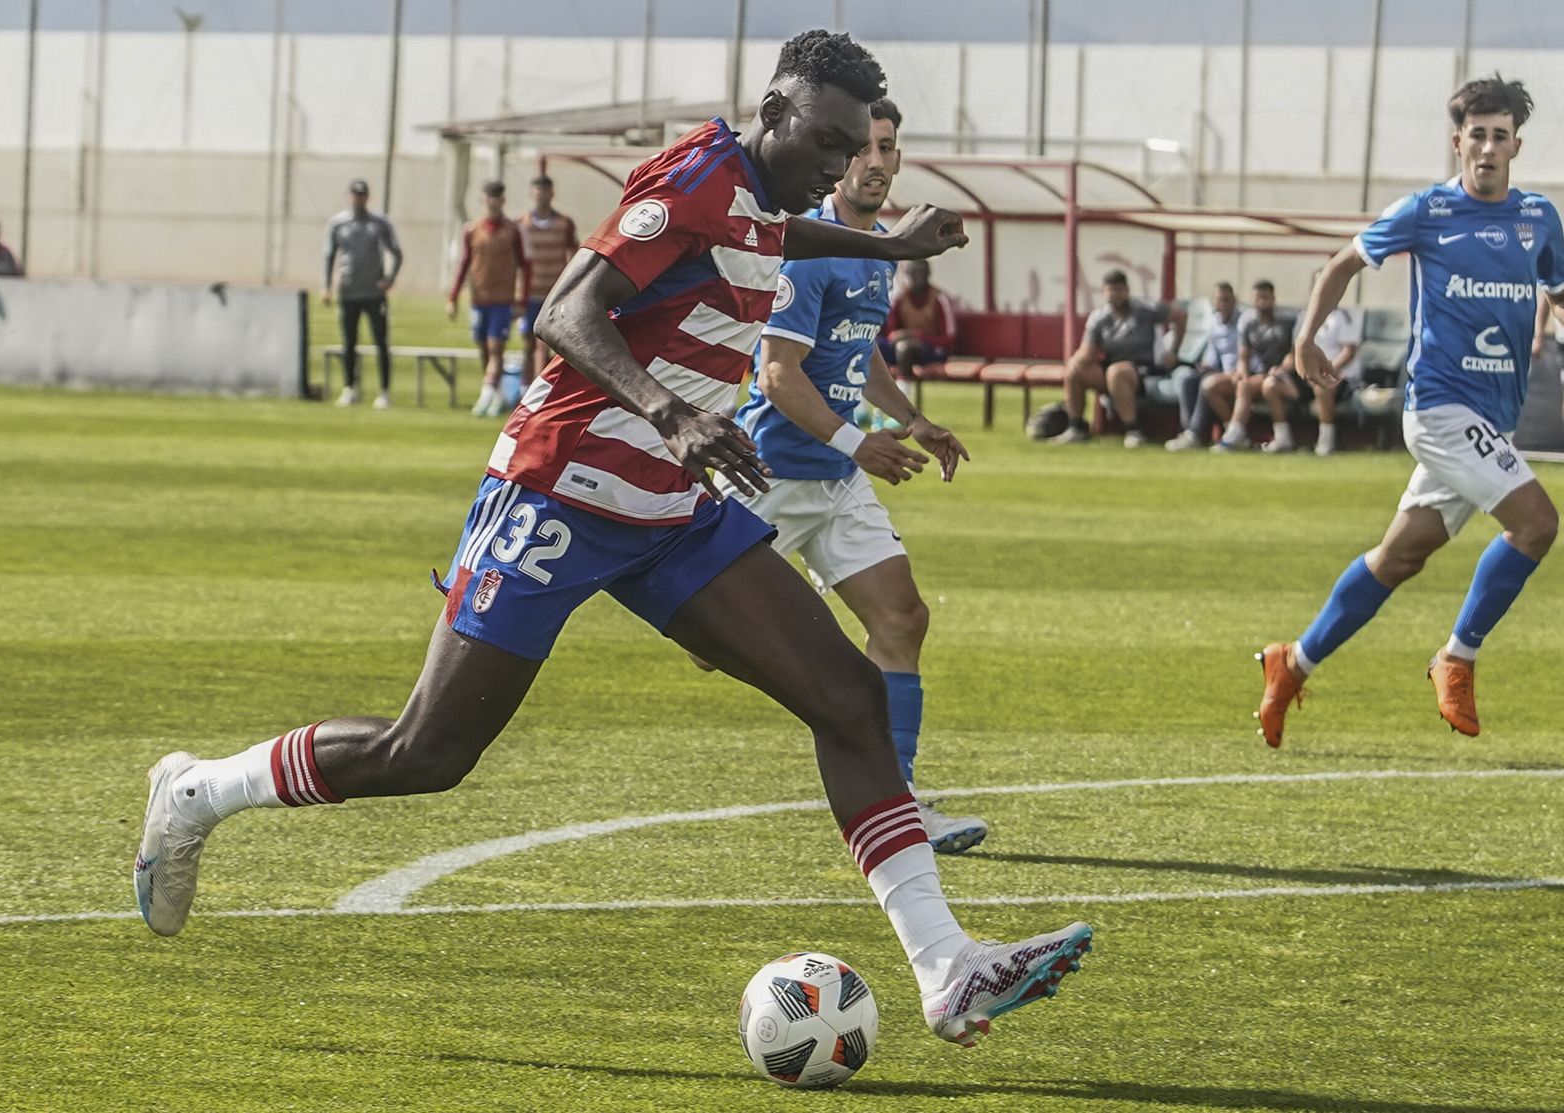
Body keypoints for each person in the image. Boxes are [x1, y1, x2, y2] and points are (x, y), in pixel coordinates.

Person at [134, 30, 1092, 1049]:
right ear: (771, 113)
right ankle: (199, 791)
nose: (838, 163)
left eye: (850, 147)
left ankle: (946, 967)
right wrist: (671, 413)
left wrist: (890, 248)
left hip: (668, 509)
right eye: (825, 141)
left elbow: (775, 235)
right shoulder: (692, 178)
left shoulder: (767, 198)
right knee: (430, 750)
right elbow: (566, 312)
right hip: (561, 490)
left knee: (848, 697)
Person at [1256, 74, 1564, 747]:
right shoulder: (1427, 211)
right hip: (1440, 410)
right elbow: (1342, 264)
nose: (1488, 147)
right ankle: (1458, 656)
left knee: (1399, 557)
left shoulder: (1539, 218)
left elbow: (1560, 294)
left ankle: (1292, 662)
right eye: (1477, 135)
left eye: (1500, 136)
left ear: (1517, 145)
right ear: (1458, 142)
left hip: (1494, 421)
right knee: (1538, 524)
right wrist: (1305, 339)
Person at [722, 97, 987, 854]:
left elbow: (856, 346)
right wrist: (859, 442)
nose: (875, 162)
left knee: (902, 620)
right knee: (712, 647)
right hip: (769, 478)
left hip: (835, 480)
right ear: (838, 160)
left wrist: (910, 419)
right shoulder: (809, 250)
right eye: (863, 149)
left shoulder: (878, 251)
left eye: (887, 148)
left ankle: (897, 804)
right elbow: (778, 374)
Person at [1050, 269, 1185, 447]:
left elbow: (1180, 315)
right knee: (1075, 369)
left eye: (1119, 289)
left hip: (1142, 369)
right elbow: (1088, 352)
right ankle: (1076, 427)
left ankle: (1133, 431)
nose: (1115, 294)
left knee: (1117, 371)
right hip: (1110, 367)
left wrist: (1174, 351)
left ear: (1127, 291)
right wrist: (1075, 361)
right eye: (1110, 290)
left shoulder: (1145, 309)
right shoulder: (1099, 317)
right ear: (1104, 292)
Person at [450, 181, 528, 418]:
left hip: (502, 299)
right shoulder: (472, 230)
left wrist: (521, 299)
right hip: (478, 299)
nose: (493, 201)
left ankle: (485, 395)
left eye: (497, 197)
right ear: (483, 200)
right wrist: (453, 297)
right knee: (484, 348)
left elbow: (524, 265)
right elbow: (465, 263)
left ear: (503, 200)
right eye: (489, 197)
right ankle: (498, 394)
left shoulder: (512, 231)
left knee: (496, 348)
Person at [323, 179, 403, 409]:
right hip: (348, 291)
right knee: (348, 342)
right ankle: (349, 388)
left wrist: (389, 279)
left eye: (362, 195)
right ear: (349, 196)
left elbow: (396, 253)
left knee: (380, 342)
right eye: (355, 195)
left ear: (367, 197)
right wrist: (326, 286)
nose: (359, 199)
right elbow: (329, 255)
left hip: (373, 293)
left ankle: (384, 391)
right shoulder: (339, 224)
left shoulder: (379, 224)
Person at [1263, 296, 1363, 456]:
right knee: (1270, 385)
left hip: (1337, 377)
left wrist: (1326, 370)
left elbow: (1349, 352)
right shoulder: (1304, 317)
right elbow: (1295, 353)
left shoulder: (1344, 317)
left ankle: (1326, 441)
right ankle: (1282, 439)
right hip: (1307, 376)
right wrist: (1281, 368)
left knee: (1321, 386)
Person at [1208, 279, 1294, 452]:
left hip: (1286, 375)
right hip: (1260, 373)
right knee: (1214, 385)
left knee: (1257, 386)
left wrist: (1282, 369)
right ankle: (1235, 432)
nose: (1261, 302)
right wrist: (1242, 373)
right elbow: (1243, 355)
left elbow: (1294, 353)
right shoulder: (1248, 323)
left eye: (1265, 297)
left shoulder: (1286, 322)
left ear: (1273, 298)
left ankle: (1278, 437)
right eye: (1257, 298)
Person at [517, 175, 580, 385]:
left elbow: (575, 254)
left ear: (552, 193)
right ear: (532, 193)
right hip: (530, 294)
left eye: (545, 190)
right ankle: (526, 387)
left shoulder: (564, 223)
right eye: (538, 190)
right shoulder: (521, 224)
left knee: (552, 344)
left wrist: (572, 287)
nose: (542, 194)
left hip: (555, 294)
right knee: (529, 343)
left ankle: (546, 386)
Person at [1166, 282, 1243, 451]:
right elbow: (1213, 356)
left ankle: (1195, 433)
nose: (1223, 304)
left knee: (1207, 383)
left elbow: (1249, 354)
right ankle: (1189, 431)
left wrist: (1237, 370)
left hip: (1240, 373)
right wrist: (1206, 366)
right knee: (1188, 378)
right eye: (1220, 300)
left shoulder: (1243, 322)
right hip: (1220, 372)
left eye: (1227, 300)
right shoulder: (1214, 323)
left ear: (1234, 300)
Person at [879, 259, 955, 398]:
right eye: (911, 273)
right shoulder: (899, 299)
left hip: (933, 351)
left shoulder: (940, 299)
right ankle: (860, 405)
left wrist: (916, 336)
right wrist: (895, 336)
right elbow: (890, 330)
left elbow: (948, 339)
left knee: (905, 348)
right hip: (899, 348)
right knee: (870, 347)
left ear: (928, 274)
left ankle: (902, 400)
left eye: (920, 273)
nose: (916, 277)